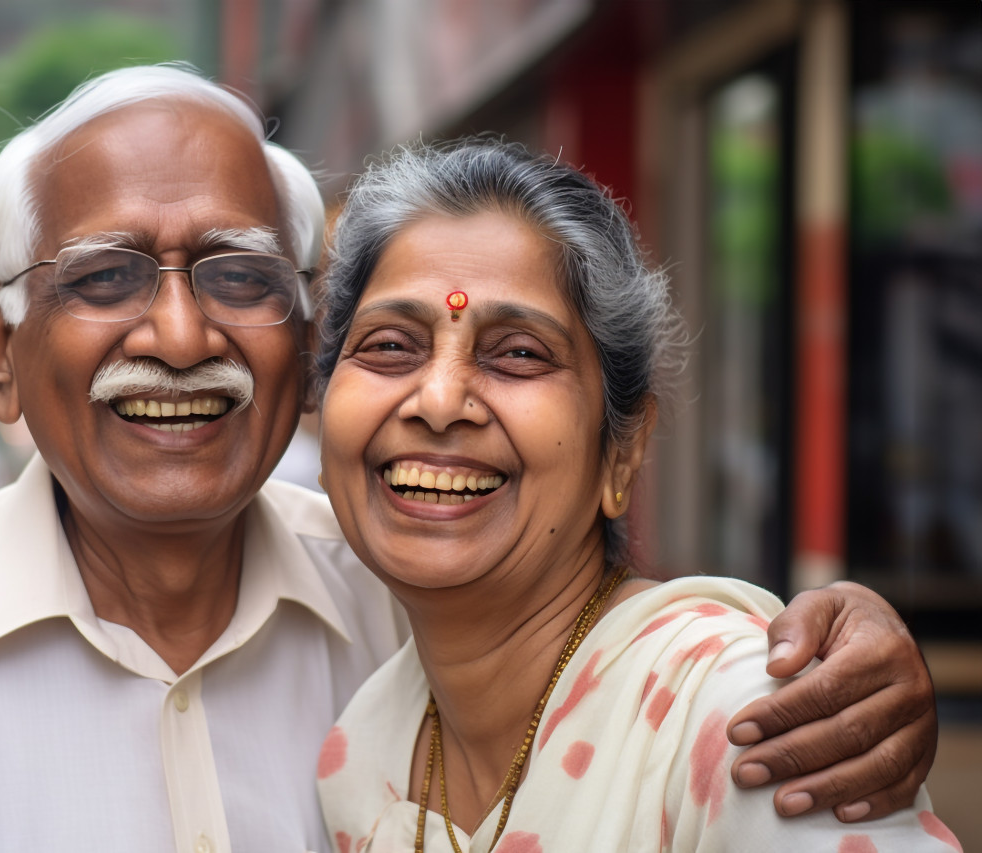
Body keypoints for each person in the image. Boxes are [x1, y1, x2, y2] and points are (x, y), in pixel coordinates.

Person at [0, 66, 939, 852]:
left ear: (300, 355)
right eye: (104, 278)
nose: (179, 336)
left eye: (239, 276)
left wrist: (833, 650)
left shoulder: (416, 608)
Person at [312, 138, 960, 851]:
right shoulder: (363, 752)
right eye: (390, 345)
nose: (438, 400)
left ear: (622, 450)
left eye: (520, 352)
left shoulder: (744, 719)